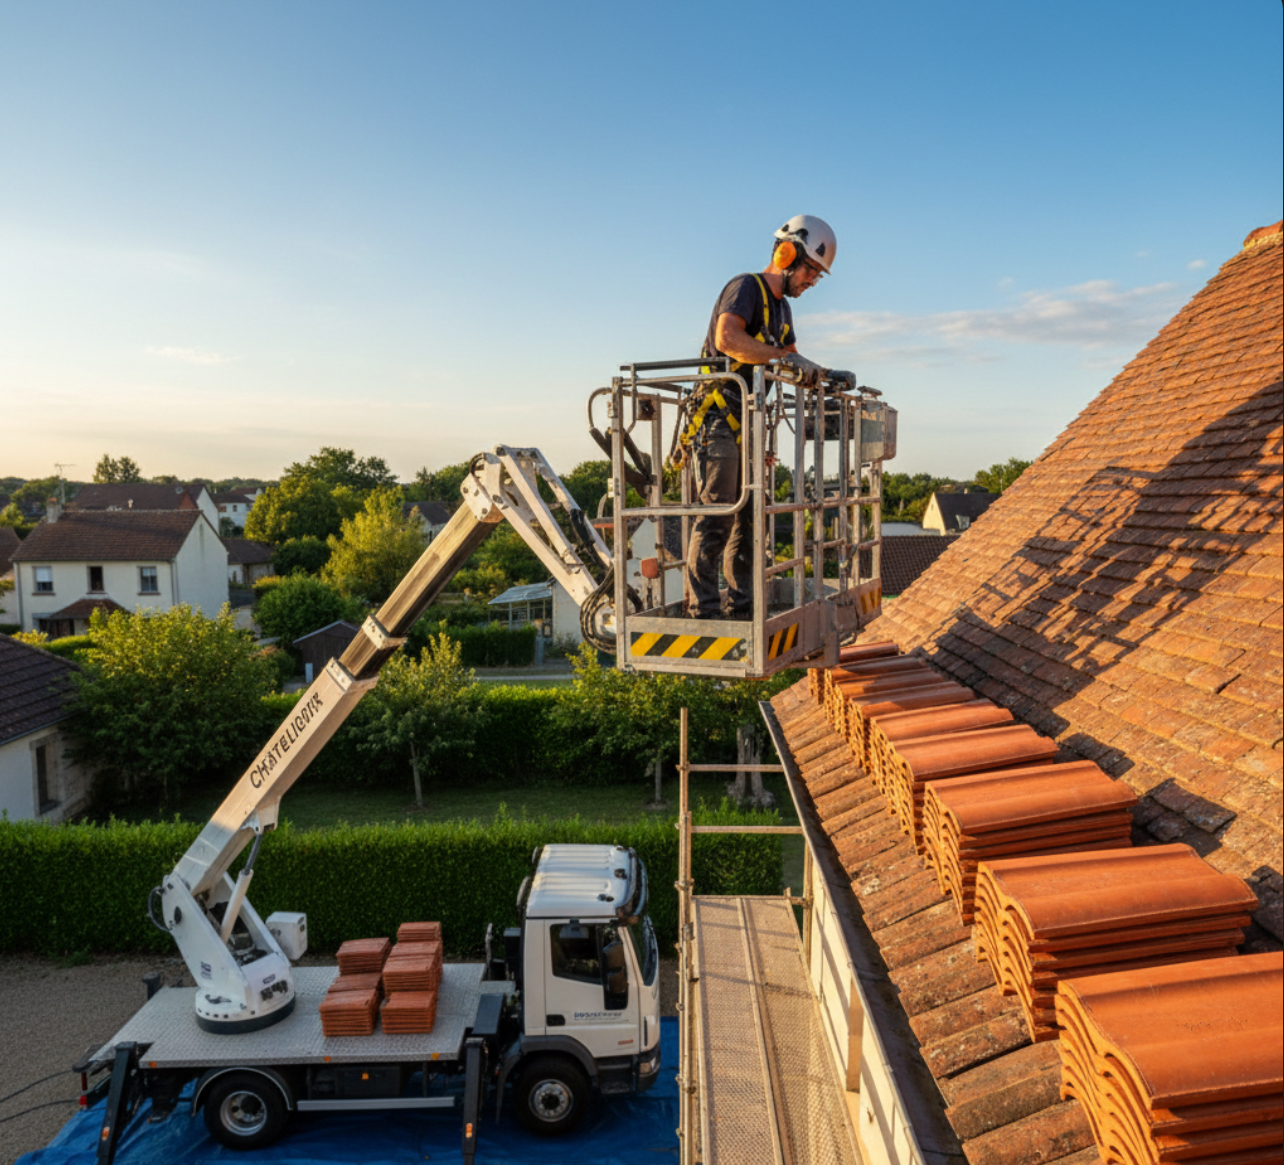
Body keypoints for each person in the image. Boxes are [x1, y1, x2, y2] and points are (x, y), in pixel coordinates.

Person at [681, 214, 840, 620]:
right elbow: (728, 339)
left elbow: (791, 360)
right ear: (786, 254)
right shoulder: (745, 288)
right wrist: (787, 359)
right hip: (717, 418)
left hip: (748, 424)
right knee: (718, 514)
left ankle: (742, 608)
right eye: (810, 271)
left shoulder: (783, 311)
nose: (811, 282)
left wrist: (822, 376)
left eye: (818, 277)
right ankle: (704, 611)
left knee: (751, 519)